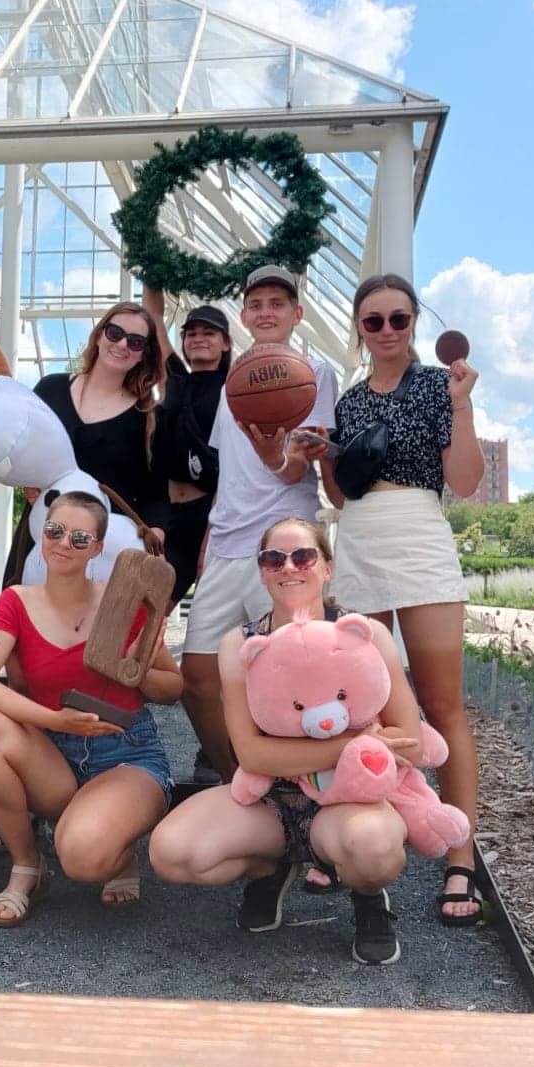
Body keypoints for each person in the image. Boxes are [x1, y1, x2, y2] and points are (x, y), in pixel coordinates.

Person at [149, 516, 425, 966]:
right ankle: (273, 867)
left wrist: (320, 757)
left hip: (346, 799)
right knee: (172, 853)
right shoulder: (241, 644)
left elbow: (410, 741)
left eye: (304, 556)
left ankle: (367, 893)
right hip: (270, 799)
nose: (289, 567)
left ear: (327, 567)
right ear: (261, 572)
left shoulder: (365, 634)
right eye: (273, 558)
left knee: (373, 851)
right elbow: (251, 753)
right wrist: (354, 744)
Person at [317, 272, 485, 926]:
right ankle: (367, 838)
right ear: (359, 329)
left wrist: (463, 406)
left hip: (420, 536)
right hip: (361, 538)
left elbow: (464, 481)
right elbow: (342, 494)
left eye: (399, 318)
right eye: (374, 320)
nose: (387, 330)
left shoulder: (441, 387)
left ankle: (460, 856)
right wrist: (322, 456)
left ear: (414, 323)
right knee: (363, 706)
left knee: (442, 705)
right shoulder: (350, 402)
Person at [0, 492, 183, 926]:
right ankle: (27, 866)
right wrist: (54, 720)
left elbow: (173, 689)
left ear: (98, 547)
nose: (63, 543)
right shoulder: (16, 601)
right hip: (53, 754)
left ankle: (118, 848)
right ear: (41, 534)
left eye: (80, 538)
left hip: (125, 752)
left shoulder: (124, 603)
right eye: (55, 531)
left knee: (83, 858)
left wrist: (133, 667)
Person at [178, 265, 338, 780]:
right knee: (197, 677)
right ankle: (241, 781)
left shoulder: (315, 372)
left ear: (297, 313)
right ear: (244, 316)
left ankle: (301, 794)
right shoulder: (234, 381)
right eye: (256, 304)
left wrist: (274, 454)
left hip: (283, 543)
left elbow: (295, 468)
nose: (266, 312)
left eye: (277, 303)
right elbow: (230, 473)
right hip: (227, 542)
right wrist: (209, 537)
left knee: (292, 675)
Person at [1, 302, 168, 586]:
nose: (123, 344)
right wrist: (28, 481)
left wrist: (154, 540)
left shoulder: (149, 417)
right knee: (27, 610)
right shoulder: (49, 390)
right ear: (99, 335)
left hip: (105, 552)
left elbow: (157, 495)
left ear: (144, 354)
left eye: (136, 341)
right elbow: (17, 448)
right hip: (42, 534)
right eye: (115, 333)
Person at [141, 286, 232, 609]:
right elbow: (154, 317)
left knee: (208, 608)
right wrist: (151, 270)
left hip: (204, 514)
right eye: (191, 333)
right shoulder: (176, 377)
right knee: (147, 606)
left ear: (226, 343)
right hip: (164, 511)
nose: (198, 338)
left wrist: (210, 535)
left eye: (209, 333)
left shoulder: (234, 390)